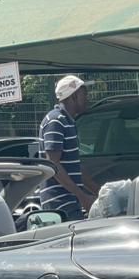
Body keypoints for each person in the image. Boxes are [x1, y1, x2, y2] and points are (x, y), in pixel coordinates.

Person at [37, 75, 99, 220]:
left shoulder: (68, 122)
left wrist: (98, 191)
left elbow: (74, 167)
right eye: (84, 94)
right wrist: (82, 197)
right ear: (74, 96)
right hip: (60, 205)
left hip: (70, 202)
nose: (87, 98)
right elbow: (53, 164)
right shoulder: (56, 121)